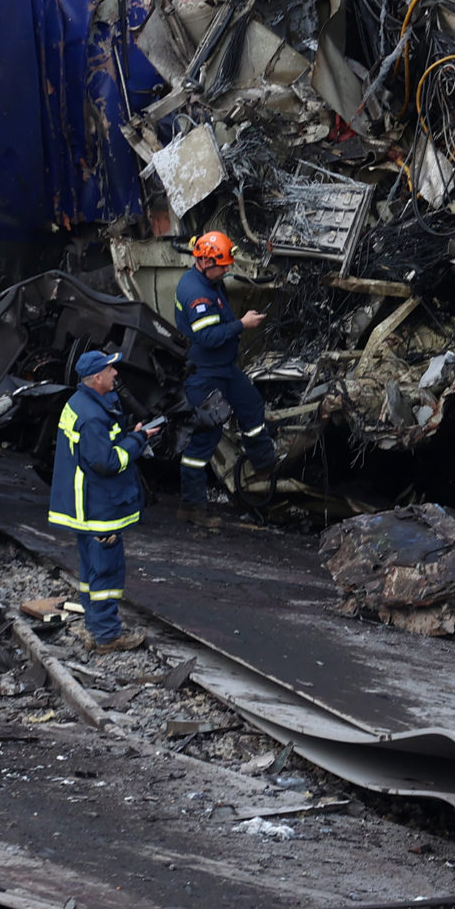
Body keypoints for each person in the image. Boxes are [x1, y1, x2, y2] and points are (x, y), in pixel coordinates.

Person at [48, 349, 164, 654]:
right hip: (98, 508)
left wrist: (130, 433)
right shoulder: (91, 417)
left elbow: (100, 447)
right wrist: (138, 441)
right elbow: (108, 462)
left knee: (90, 570)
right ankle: (107, 636)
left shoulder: (82, 404)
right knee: (106, 571)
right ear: (97, 377)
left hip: (85, 507)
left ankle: (95, 627)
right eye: (111, 370)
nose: (116, 373)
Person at [173, 230, 274, 512]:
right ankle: (192, 507)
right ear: (205, 262)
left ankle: (265, 466)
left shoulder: (208, 280)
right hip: (204, 374)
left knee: (251, 404)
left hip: (224, 369)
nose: (227, 269)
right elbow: (207, 337)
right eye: (223, 265)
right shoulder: (196, 294)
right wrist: (242, 324)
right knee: (207, 436)